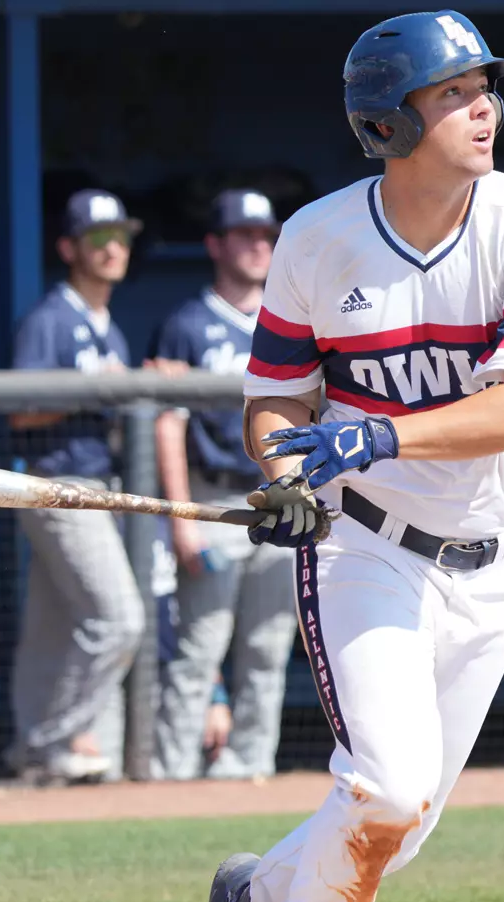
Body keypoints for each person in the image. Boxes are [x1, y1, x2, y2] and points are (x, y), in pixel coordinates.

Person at [162, 9, 504, 902]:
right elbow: (274, 402)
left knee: (399, 825)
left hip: (499, 556)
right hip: (367, 550)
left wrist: (379, 433)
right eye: (452, 94)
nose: (483, 107)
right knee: (386, 787)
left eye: (485, 87)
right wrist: (285, 472)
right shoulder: (316, 239)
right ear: (389, 125)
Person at [149, 190, 297, 782]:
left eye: (266, 234)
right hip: (213, 499)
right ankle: (174, 774)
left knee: (267, 648)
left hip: (280, 495)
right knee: (201, 648)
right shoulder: (187, 324)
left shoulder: (293, 318)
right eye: (245, 234)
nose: (259, 244)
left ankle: (247, 768)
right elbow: (167, 424)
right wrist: (181, 515)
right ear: (215, 244)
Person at [5, 189, 146, 784]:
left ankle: (33, 749)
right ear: (69, 248)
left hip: (94, 482)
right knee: (119, 619)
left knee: (54, 627)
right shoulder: (52, 317)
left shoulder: (106, 325)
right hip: (57, 482)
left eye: (120, 236)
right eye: (97, 238)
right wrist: (95, 387)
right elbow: (19, 410)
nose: (113, 248)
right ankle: (55, 738)